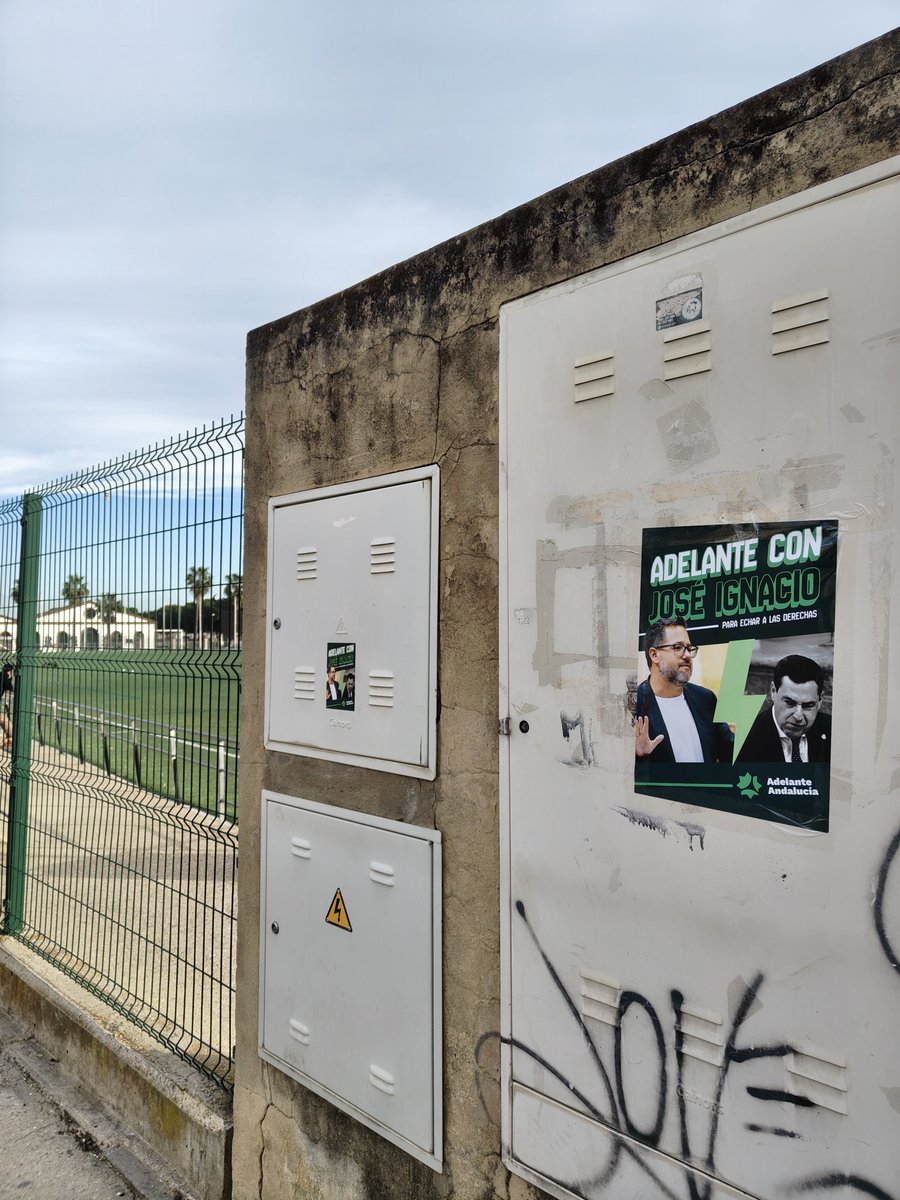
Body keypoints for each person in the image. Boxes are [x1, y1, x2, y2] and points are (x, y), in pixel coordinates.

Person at [635, 620, 733, 764]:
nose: (687, 655)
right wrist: (636, 757)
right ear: (654, 655)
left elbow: (731, 751)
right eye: (678, 647)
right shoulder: (631, 707)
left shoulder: (706, 699)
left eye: (689, 648)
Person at [736, 654, 831, 764]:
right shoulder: (746, 740)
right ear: (773, 691)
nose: (798, 716)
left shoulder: (832, 730)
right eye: (789, 703)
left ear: (820, 700)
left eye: (808, 705)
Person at [0, 663, 13, 750]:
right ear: (9, 671)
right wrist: (10, 678)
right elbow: (10, 687)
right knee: (6, 722)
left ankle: (9, 740)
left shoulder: (1, 675)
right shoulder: (4, 677)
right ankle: (13, 739)